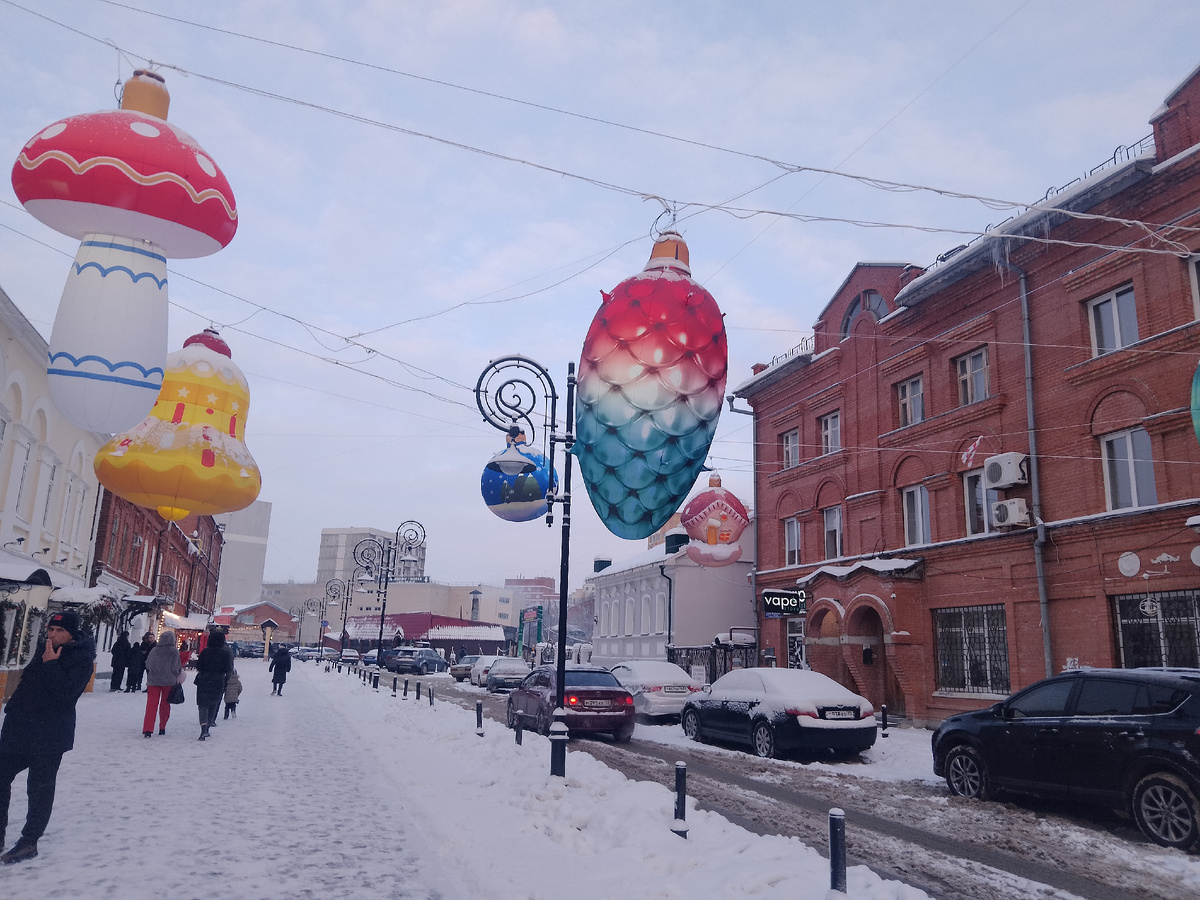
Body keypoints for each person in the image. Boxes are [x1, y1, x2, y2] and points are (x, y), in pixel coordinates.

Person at [0, 610, 95, 864]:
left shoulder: (82, 658)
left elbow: (66, 694)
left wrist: (52, 663)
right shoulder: (45, 648)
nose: (52, 634)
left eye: (59, 631)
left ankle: (29, 842)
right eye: (50, 629)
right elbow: (28, 682)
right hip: (20, 727)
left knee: (39, 788)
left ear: (71, 634)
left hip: (50, 733)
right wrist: (12, 709)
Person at [142, 630, 181, 738]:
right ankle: (162, 727)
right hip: (168, 682)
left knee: (151, 705)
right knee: (165, 705)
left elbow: (148, 665)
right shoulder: (174, 651)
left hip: (153, 681)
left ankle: (148, 729)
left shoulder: (154, 650)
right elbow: (175, 667)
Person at [193, 632, 231, 741]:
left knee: (203, 705)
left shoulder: (205, 652)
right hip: (218, 681)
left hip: (204, 680)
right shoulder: (225, 653)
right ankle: (208, 727)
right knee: (213, 705)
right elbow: (227, 669)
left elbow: (199, 666)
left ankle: (203, 728)